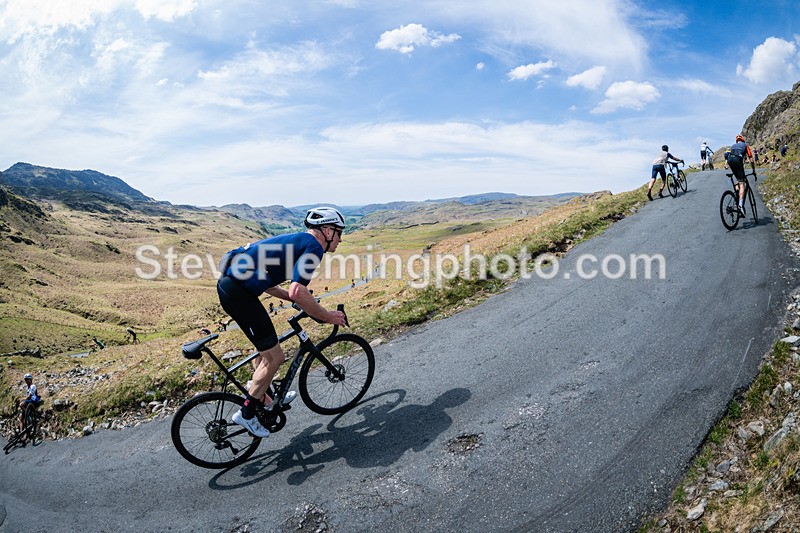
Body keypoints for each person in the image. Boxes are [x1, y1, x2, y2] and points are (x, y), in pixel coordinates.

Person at [217, 207, 347, 438]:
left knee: (266, 347)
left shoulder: (296, 242)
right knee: (276, 356)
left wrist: (295, 299)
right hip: (239, 295)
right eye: (338, 232)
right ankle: (246, 414)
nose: (339, 238)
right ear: (327, 230)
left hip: (235, 289)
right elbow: (298, 290)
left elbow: (269, 283)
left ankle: (264, 395)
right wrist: (325, 315)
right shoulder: (313, 247)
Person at [727, 134, 757, 216]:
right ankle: (740, 205)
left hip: (730, 161)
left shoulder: (733, 146)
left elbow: (728, 156)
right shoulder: (745, 146)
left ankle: (737, 193)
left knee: (738, 178)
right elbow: (751, 159)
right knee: (742, 183)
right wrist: (754, 171)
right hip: (737, 161)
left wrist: (726, 165)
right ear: (743, 140)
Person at [18, 373, 41, 442]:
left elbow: (29, 396)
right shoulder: (28, 388)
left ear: (30, 379)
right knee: (20, 417)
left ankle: (28, 416)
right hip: (29, 402)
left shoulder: (33, 386)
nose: (26, 381)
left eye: (28, 379)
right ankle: (21, 433)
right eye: (25, 380)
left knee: (21, 405)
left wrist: (23, 401)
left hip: (33, 401)